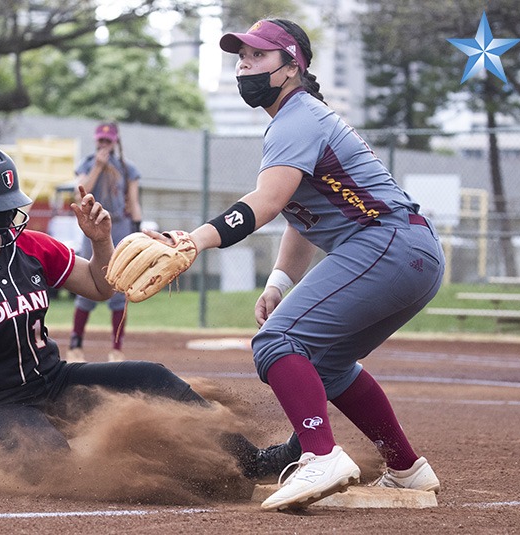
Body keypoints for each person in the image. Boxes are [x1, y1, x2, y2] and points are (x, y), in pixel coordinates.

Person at [0, 141, 301, 489]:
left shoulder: (32, 247)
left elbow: (99, 284)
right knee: (63, 468)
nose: (9, 210)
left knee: (152, 376)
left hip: (53, 382)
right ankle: (191, 480)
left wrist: (101, 241)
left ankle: (251, 462)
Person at [144, 19, 445, 511]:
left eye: (259, 55)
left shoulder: (296, 119)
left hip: (387, 244)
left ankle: (321, 456)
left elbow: (266, 202)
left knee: (277, 343)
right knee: (328, 364)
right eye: (241, 55)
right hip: (408, 251)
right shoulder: (301, 118)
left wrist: (192, 241)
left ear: (292, 66)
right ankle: (407, 468)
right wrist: (280, 281)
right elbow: (300, 216)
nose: (244, 63)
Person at [66, 122, 143, 363]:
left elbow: (133, 201)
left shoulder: (127, 168)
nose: (104, 145)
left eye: (108, 141)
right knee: (88, 281)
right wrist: (98, 167)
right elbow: (80, 194)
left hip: (118, 226)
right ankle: (75, 344)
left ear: (115, 142)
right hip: (93, 226)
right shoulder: (88, 164)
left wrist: (137, 231)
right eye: (101, 140)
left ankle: (116, 349)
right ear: (95, 140)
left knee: (120, 286)